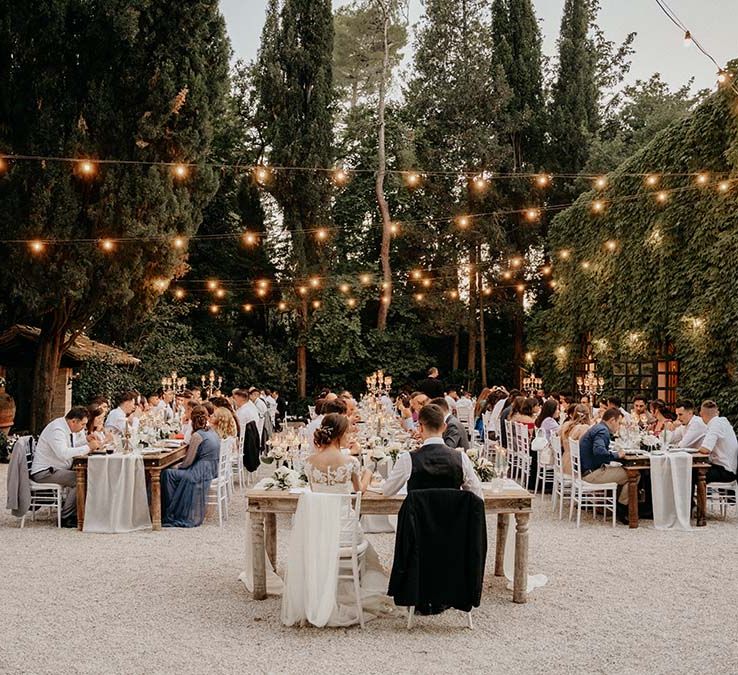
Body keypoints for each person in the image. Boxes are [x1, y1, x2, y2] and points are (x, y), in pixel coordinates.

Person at [382, 404, 482, 498]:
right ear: (444, 427)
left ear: (420, 428)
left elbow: (387, 491)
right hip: (452, 515)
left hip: (418, 516)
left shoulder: (408, 459)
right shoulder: (461, 458)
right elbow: (477, 495)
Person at [30, 407, 101, 527]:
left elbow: (70, 447)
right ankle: (66, 517)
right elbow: (63, 453)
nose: (83, 428)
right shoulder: (57, 430)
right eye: (83, 424)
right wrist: (89, 447)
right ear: (74, 421)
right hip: (45, 472)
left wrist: (85, 441)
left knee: (83, 475)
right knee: (79, 479)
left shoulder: (64, 427)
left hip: (55, 469)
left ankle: (79, 512)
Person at [161, 406, 220, 527]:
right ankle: (175, 506)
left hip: (201, 471)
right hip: (212, 469)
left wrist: (177, 466)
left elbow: (188, 461)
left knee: (167, 473)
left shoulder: (197, 436)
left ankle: (172, 511)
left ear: (193, 420)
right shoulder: (212, 431)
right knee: (173, 471)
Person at [578, 408, 631, 513]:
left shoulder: (598, 427)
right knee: (634, 474)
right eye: (619, 423)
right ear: (612, 420)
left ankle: (614, 504)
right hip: (591, 474)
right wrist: (617, 455)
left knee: (619, 469)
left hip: (585, 471)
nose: (619, 426)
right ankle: (622, 507)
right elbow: (599, 452)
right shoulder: (603, 431)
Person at [697, 400, 738, 484]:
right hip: (729, 468)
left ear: (701, 414)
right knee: (694, 471)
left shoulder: (715, 424)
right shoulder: (722, 422)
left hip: (725, 471)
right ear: (717, 412)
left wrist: (694, 450)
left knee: (691, 474)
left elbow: (706, 449)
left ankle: (691, 498)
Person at [559, 404, 592, 474]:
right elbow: (585, 450)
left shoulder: (566, 425)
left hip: (564, 463)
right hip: (574, 469)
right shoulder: (584, 428)